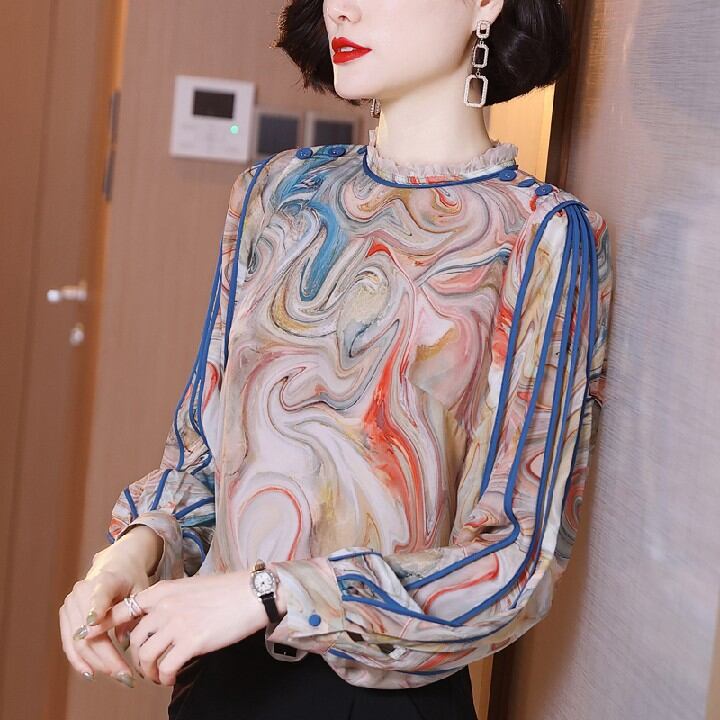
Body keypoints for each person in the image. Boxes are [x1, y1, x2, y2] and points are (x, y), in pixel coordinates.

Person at [59, 0, 614, 717]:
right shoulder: (276, 193)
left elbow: (513, 562)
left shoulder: (543, 234)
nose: (342, 8)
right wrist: (130, 553)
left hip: (376, 703)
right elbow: (204, 453)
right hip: (219, 682)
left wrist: (271, 593)